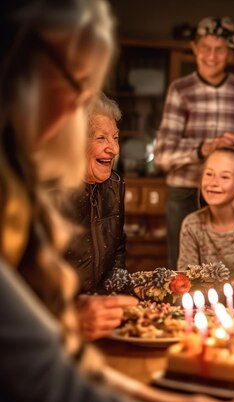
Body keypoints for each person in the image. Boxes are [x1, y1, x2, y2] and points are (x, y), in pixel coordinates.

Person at [0, 0, 234, 402]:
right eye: (70, 82)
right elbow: (45, 374)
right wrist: (202, 150)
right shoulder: (178, 93)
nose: (76, 110)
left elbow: (61, 372)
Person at [154, 16, 234, 269]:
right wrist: (203, 149)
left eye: (219, 49)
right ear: (195, 49)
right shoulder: (180, 90)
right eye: (205, 48)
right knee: (183, 275)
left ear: (229, 53)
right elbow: (162, 156)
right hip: (185, 193)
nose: (211, 55)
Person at [61, 92, 138, 341]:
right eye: (101, 138)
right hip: (57, 324)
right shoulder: (48, 193)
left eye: (115, 138)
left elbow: (117, 248)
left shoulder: (114, 185)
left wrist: (120, 295)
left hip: (101, 320)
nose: (114, 148)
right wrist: (72, 311)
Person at [177, 147, 234, 278]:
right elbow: (185, 279)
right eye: (209, 174)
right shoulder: (192, 224)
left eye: (224, 177)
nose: (213, 183)